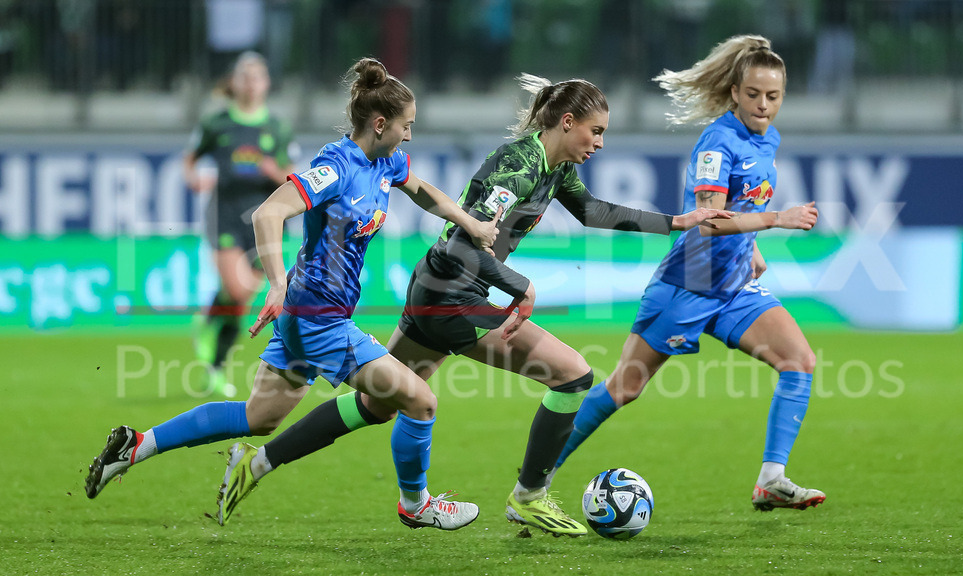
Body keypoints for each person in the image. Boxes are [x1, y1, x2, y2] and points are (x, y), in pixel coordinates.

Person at [215, 73, 733, 536]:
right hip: (452, 295)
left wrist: (673, 222)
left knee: (379, 403)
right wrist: (518, 285)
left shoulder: (553, 168)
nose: (598, 142)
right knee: (574, 376)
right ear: (567, 121)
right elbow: (461, 245)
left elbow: (593, 210)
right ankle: (529, 497)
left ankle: (257, 464)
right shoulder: (518, 165)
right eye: (594, 131)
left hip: (435, 291)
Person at [85, 58, 501, 531]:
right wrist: (278, 284)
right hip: (317, 318)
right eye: (406, 126)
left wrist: (468, 222)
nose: (409, 136)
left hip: (312, 315)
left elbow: (422, 189)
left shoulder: (387, 161)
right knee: (420, 402)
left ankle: (136, 445)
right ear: (380, 123)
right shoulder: (337, 167)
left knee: (258, 417)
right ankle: (416, 504)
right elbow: (268, 214)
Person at [552, 35, 826, 513]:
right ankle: (537, 477)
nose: (764, 105)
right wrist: (776, 220)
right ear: (735, 92)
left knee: (799, 361)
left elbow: (746, 202)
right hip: (690, 282)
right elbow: (711, 218)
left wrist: (753, 247)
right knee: (625, 387)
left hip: (735, 283)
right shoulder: (717, 143)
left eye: (774, 96)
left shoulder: (768, 139)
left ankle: (771, 480)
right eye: (755, 94)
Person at [183, 51, 297, 397]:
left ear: (266, 83)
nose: (250, 83)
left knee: (241, 295)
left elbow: (292, 177)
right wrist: (193, 177)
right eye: (244, 76)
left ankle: (213, 352)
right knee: (238, 289)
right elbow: (190, 159)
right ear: (234, 82)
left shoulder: (277, 128)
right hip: (226, 212)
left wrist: (272, 171)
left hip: (264, 218)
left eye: (256, 76)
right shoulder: (217, 124)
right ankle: (210, 330)